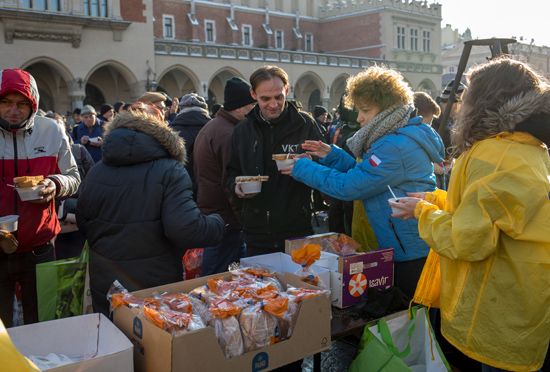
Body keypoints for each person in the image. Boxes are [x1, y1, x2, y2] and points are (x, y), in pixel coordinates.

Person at [391, 57, 550, 372]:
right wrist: (438, 199)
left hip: (501, 308)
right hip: (527, 298)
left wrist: (423, 213)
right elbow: (498, 211)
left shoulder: (493, 155)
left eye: (467, 96)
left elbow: (467, 240)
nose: (462, 104)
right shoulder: (530, 148)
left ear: (483, 102)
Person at [282, 66, 445, 299]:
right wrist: (332, 155)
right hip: (408, 244)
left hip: (410, 254)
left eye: (365, 110)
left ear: (387, 109)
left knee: (414, 320)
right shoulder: (395, 139)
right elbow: (367, 176)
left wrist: (302, 168)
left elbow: (350, 187)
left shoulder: (394, 147)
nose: (359, 118)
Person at [76, 103, 225, 316]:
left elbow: (83, 222)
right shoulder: (170, 170)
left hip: (107, 284)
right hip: (154, 286)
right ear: (161, 133)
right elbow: (185, 228)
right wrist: (218, 223)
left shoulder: (97, 171)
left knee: (116, 343)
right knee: (154, 344)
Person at [0, 68, 80, 326]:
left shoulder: (52, 130)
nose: (14, 110)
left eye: (22, 103)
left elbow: (74, 177)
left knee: (42, 322)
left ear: (33, 104)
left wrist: (55, 184)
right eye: (6, 103)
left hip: (39, 246)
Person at [226, 65, 324, 257]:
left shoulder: (305, 124)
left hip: (297, 228)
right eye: (265, 98)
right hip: (256, 231)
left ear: (287, 90)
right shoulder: (242, 130)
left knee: (300, 285)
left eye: (279, 97)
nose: (273, 104)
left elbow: (327, 168)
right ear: (253, 94)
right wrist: (236, 188)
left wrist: (310, 166)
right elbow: (231, 173)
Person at [193, 77, 256, 275]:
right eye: (251, 105)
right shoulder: (229, 134)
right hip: (226, 218)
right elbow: (231, 181)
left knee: (215, 272)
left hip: (213, 214)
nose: (254, 110)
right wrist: (244, 219)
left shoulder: (213, 127)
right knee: (220, 277)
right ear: (239, 107)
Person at [170, 93, 211, 187]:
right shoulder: (214, 128)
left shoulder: (171, 130)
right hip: (209, 186)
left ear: (181, 109)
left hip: (179, 185)